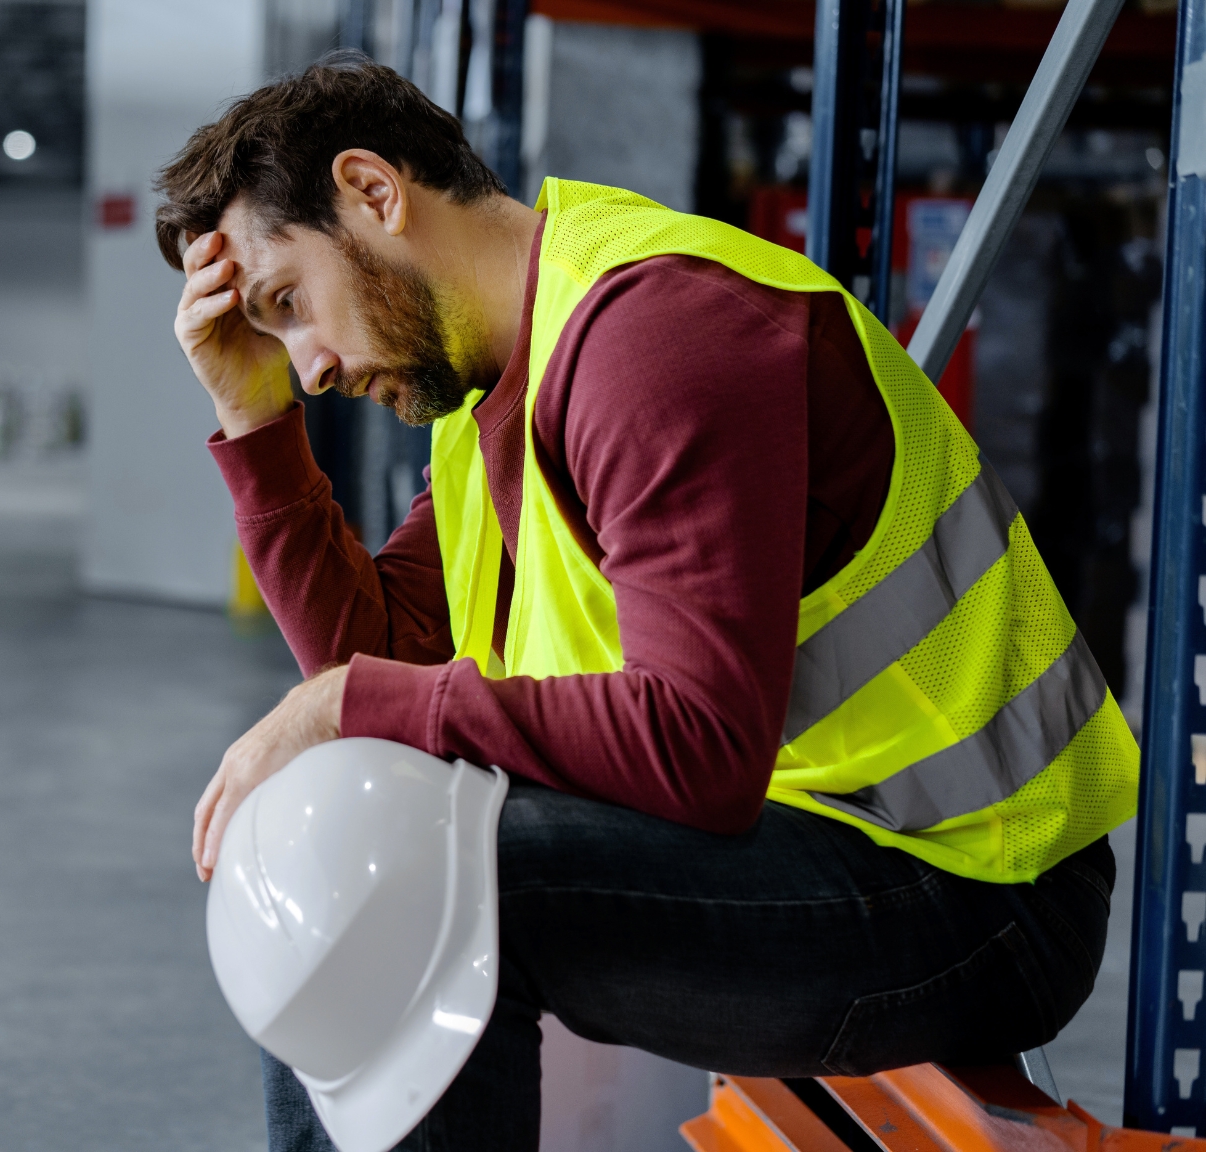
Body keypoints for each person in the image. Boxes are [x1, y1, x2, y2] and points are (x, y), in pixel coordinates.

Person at [154, 53, 1137, 1152]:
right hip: (811, 840)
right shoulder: (490, 384)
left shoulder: (656, 337)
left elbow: (698, 749)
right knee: (340, 838)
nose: (311, 366)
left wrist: (349, 702)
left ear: (374, 193)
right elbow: (367, 658)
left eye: (291, 304)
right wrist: (253, 421)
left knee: (392, 902)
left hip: (972, 893)